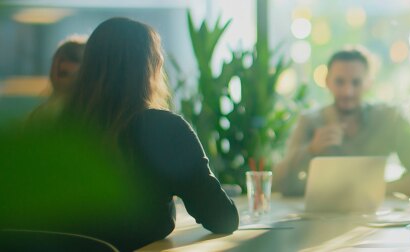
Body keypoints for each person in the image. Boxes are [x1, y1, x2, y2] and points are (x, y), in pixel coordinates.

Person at [10, 17, 239, 251]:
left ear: (88, 67)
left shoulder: (51, 128)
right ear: (150, 68)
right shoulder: (166, 129)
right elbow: (222, 218)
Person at [274, 49, 410, 197]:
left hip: (377, 218)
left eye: (356, 82)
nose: (347, 91)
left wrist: (376, 188)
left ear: (369, 83)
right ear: (327, 81)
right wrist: (311, 149)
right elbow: (277, 184)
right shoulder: (310, 121)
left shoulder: (390, 118)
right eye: (340, 82)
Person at [28, 36, 87, 122]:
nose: (58, 66)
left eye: (63, 73)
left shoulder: (83, 113)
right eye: (55, 61)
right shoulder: (41, 113)